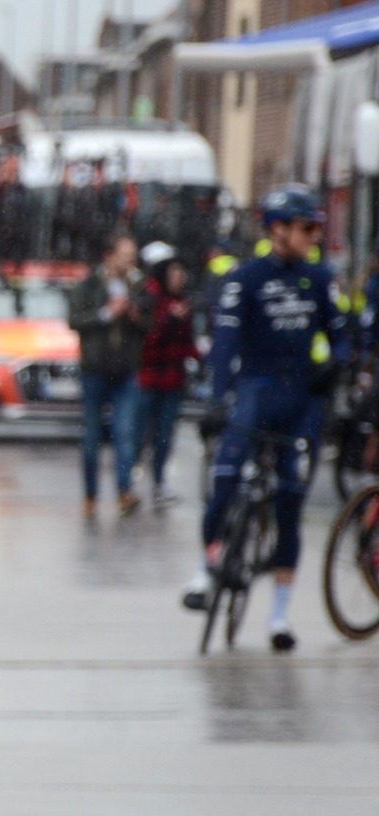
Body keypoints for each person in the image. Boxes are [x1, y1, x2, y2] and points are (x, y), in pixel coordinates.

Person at [185, 184, 348, 653]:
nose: (315, 236)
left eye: (318, 228)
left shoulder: (319, 278)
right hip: (255, 392)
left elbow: (340, 334)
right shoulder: (246, 278)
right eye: (307, 228)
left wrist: (334, 364)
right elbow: (225, 343)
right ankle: (205, 568)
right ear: (278, 230)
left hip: (301, 401)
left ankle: (279, 616)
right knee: (226, 477)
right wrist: (218, 400)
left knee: (290, 503)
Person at [68, 233, 148, 517]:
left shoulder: (137, 286)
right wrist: (105, 314)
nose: (130, 261)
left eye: (132, 256)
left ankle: (124, 491)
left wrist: (136, 317)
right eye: (125, 255)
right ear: (109, 256)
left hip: (126, 371)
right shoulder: (90, 284)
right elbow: (75, 319)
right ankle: (90, 495)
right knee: (91, 437)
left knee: (124, 433)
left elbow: (149, 324)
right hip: (95, 370)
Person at [134, 242, 196, 509]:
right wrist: (169, 321)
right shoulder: (151, 299)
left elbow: (187, 343)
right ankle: (131, 478)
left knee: (165, 434)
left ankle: (159, 481)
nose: (179, 278)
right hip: (149, 378)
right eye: (174, 272)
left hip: (173, 380)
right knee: (140, 432)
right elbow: (148, 338)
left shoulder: (182, 302)